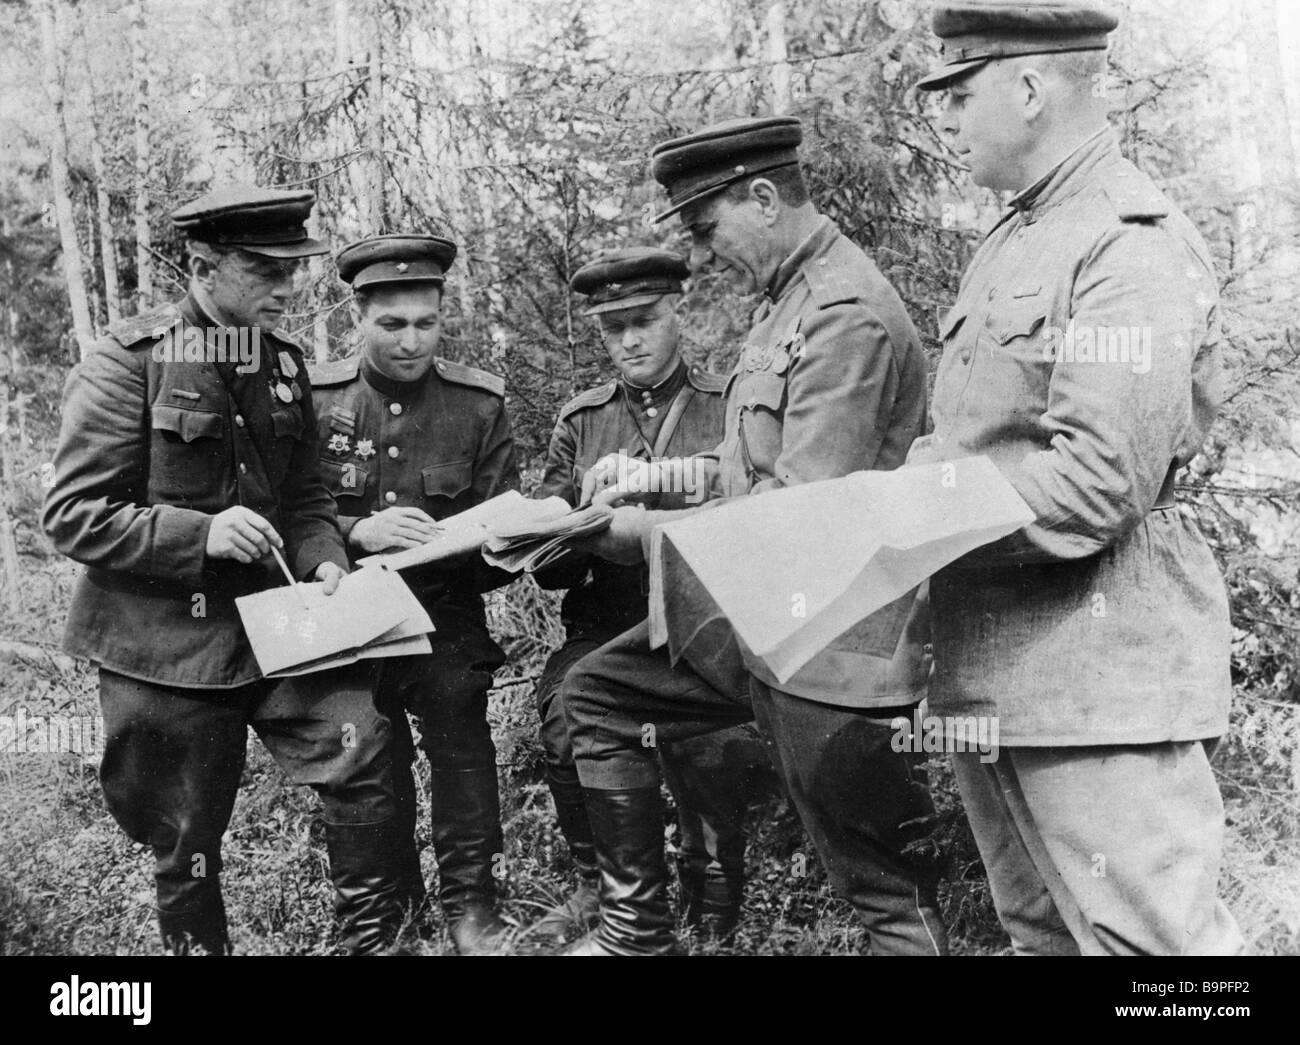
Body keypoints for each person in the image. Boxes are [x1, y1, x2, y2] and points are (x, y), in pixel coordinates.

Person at [562, 116, 947, 956]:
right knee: (596, 693)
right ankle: (637, 935)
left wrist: (642, 536)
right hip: (770, 626)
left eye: (706, 229)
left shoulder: (844, 316)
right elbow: (752, 465)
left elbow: (803, 518)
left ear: (764, 198)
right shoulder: (790, 303)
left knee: (881, 890)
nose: (702, 256)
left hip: (837, 653)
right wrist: (653, 477)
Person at [912, 0, 1243, 954]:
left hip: (1101, 673)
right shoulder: (1019, 236)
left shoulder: (1124, 240)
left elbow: (1099, 481)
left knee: (1161, 957)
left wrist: (911, 512)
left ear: (1028, 87)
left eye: (958, 91)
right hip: (997, 664)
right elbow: (974, 440)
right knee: (1043, 935)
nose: (943, 116)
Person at [41, 186, 405, 955]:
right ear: (203, 264)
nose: (287, 288)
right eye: (265, 270)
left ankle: (374, 942)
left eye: (293, 269)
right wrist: (198, 534)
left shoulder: (282, 365)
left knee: (361, 738)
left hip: (274, 630)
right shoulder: (129, 361)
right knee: (187, 834)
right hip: (166, 647)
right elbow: (73, 515)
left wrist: (325, 557)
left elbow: (306, 496)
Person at [530, 247, 776, 942]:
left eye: (644, 320)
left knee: (712, 745)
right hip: (603, 626)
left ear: (678, 314)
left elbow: (753, 526)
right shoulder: (582, 422)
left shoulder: (725, 408)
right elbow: (546, 565)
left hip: (698, 622)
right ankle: (609, 891)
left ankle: (715, 888)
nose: (630, 341)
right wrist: (579, 510)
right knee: (564, 712)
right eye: (614, 329)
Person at [309, 233, 522, 954]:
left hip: (443, 614)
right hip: (344, 621)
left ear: (442, 317)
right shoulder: (317, 402)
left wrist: (495, 543)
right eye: (390, 324)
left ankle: (472, 904)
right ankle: (382, 908)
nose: (409, 341)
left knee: (461, 730)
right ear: (357, 317)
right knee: (361, 746)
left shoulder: (477, 405)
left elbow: (503, 533)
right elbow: (287, 514)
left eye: (425, 323)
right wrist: (359, 530)